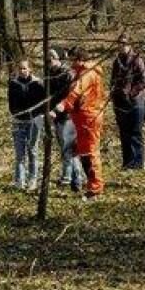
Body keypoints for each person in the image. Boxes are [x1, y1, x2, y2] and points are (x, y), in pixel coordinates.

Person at [52, 47, 106, 200]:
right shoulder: (79, 72)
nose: (70, 63)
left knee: (90, 153)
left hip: (89, 118)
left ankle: (95, 189)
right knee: (83, 153)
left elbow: (76, 91)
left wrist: (63, 105)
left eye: (72, 59)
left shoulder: (87, 73)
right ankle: (91, 186)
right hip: (82, 117)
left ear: (79, 58)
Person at [46, 48, 85, 191]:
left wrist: (58, 109)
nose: (49, 61)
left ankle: (76, 178)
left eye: (52, 57)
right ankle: (68, 176)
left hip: (68, 116)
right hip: (56, 115)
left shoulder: (68, 74)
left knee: (70, 149)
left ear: (59, 58)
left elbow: (69, 97)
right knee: (64, 148)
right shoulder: (50, 73)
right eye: (48, 59)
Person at [110, 34, 145, 170]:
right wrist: (114, 94)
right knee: (124, 133)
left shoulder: (137, 60)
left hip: (135, 102)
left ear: (130, 45)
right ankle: (127, 163)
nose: (122, 46)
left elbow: (144, 81)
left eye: (124, 43)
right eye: (120, 43)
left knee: (135, 132)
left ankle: (138, 163)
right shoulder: (117, 62)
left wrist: (131, 93)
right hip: (120, 102)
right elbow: (113, 81)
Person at [7, 58, 46, 191]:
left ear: (30, 69)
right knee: (20, 153)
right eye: (20, 68)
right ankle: (19, 181)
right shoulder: (13, 84)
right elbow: (11, 104)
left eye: (24, 68)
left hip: (34, 121)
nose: (22, 71)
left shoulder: (38, 84)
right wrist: (18, 114)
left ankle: (32, 180)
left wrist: (36, 115)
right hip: (18, 122)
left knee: (32, 151)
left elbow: (42, 104)